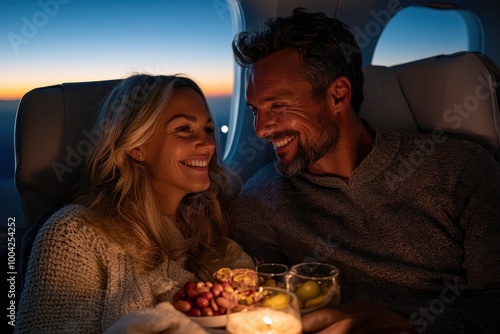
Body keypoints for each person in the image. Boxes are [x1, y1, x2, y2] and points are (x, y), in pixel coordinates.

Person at [229, 7, 500, 334]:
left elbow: (494, 297)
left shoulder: (461, 170)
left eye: (278, 106)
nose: (260, 130)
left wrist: (407, 327)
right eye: (255, 110)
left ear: (338, 95)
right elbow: (263, 302)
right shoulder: (260, 202)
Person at [14, 74, 254, 334]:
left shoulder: (208, 230)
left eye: (208, 129)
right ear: (136, 146)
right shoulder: (74, 236)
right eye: (184, 129)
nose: (208, 144)